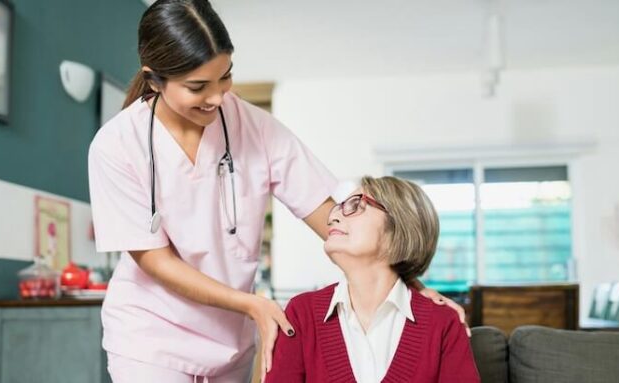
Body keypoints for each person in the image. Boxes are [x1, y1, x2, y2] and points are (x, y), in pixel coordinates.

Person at [88, 1, 466, 381]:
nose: (218, 97)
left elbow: (329, 216)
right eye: (198, 87)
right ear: (154, 80)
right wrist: (251, 303)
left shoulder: (255, 127)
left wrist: (411, 287)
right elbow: (154, 259)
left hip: (229, 338)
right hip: (150, 334)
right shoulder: (117, 145)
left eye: (225, 77)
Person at [267, 176, 480, 383]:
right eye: (338, 208)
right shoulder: (301, 314)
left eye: (356, 205)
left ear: (398, 226)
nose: (332, 218)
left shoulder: (444, 324)